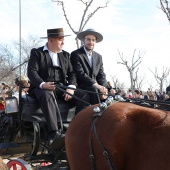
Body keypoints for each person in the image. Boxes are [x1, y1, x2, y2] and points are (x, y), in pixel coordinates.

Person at [27, 28, 90, 145]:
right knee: (47, 95)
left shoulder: (65, 55)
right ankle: (54, 133)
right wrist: (43, 84)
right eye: (60, 39)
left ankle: (78, 129)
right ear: (51, 40)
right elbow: (32, 72)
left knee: (84, 95)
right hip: (42, 88)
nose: (63, 42)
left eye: (63, 39)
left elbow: (72, 74)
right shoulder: (37, 52)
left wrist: (71, 88)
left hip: (61, 87)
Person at [70, 29, 109, 104]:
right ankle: (96, 114)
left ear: (95, 42)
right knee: (94, 90)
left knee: (111, 95)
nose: (91, 42)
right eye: (88, 39)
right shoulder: (76, 54)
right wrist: (96, 85)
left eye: (93, 40)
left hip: (95, 87)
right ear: (83, 40)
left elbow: (101, 75)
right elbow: (80, 73)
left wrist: (104, 88)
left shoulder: (98, 57)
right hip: (81, 86)